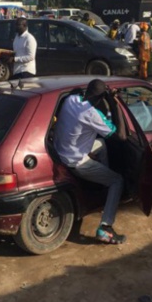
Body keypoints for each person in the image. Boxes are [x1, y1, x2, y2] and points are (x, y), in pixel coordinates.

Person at [53, 79, 128, 244]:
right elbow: (122, 137)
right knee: (117, 181)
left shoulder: (70, 99)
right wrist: (114, 102)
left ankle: (102, 187)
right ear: (101, 97)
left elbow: (76, 90)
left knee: (101, 145)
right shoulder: (91, 114)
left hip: (62, 150)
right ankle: (105, 227)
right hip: (76, 162)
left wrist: (104, 97)